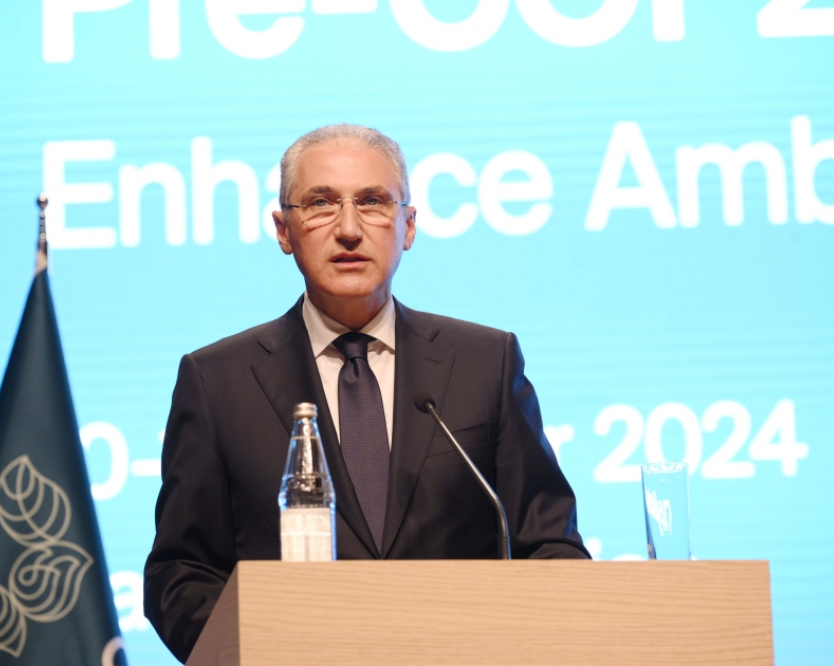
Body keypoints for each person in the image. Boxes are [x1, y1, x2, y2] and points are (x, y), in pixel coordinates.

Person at [144, 124, 589, 662]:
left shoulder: (485, 363)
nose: (349, 229)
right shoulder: (218, 381)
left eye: (373, 201)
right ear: (284, 230)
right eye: (321, 203)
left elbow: (550, 546)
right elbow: (180, 572)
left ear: (408, 226)